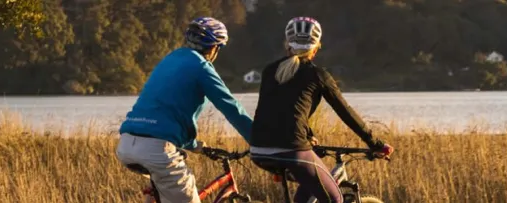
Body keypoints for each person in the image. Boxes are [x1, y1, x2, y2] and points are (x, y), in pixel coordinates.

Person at [247, 17, 394, 203]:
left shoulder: (270, 71)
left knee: (308, 187)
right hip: (291, 150)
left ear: (287, 45)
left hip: (258, 150)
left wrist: (308, 135)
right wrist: (376, 143)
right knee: (335, 199)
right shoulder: (317, 75)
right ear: (315, 49)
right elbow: (345, 112)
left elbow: (282, 109)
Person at [115, 17, 254, 203]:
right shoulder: (201, 67)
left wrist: (193, 145)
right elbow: (231, 107)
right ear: (214, 48)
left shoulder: (170, 59)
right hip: (156, 151)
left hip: (126, 145)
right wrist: (258, 140)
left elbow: (165, 113)